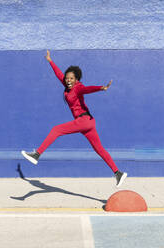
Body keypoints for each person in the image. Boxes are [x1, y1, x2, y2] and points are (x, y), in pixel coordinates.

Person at [21, 50, 127, 187]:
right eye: (67, 78)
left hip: (83, 121)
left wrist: (101, 88)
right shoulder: (67, 86)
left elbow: (87, 89)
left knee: (56, 129)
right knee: (99, 149)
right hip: (88, 122)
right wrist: (50, 61)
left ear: (77, 79)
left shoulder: (78, 88)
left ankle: (37, 154)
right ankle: (118, 173)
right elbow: (59, 75)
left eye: (71, 78)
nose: (68, 80)